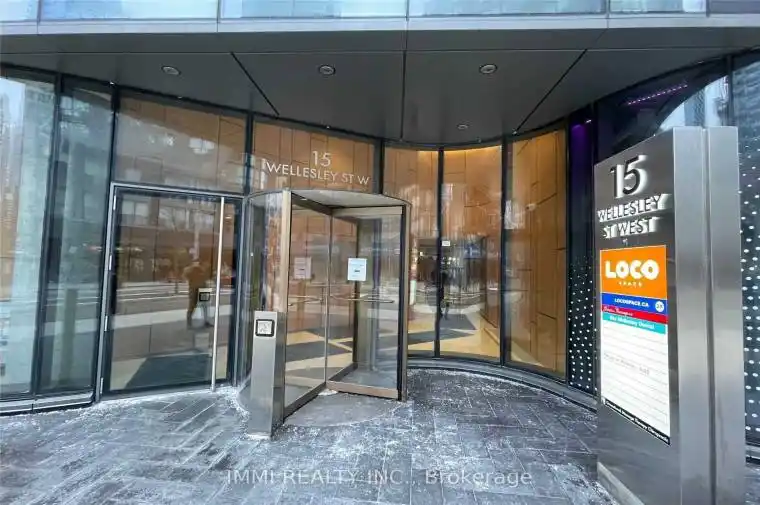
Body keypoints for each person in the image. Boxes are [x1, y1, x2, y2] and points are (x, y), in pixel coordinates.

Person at [184, 259, 211, 328]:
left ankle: (206, 321)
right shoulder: (189, 269)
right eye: (195, 262)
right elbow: (186, 276)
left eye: (197, 262)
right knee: (192, 306)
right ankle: (189, 323)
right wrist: (193, 268)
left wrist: (202, 269)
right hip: (194, 290)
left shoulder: (202, 269)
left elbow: (206, 278)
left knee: (205, 306)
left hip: (203, 289)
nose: (196, 263)